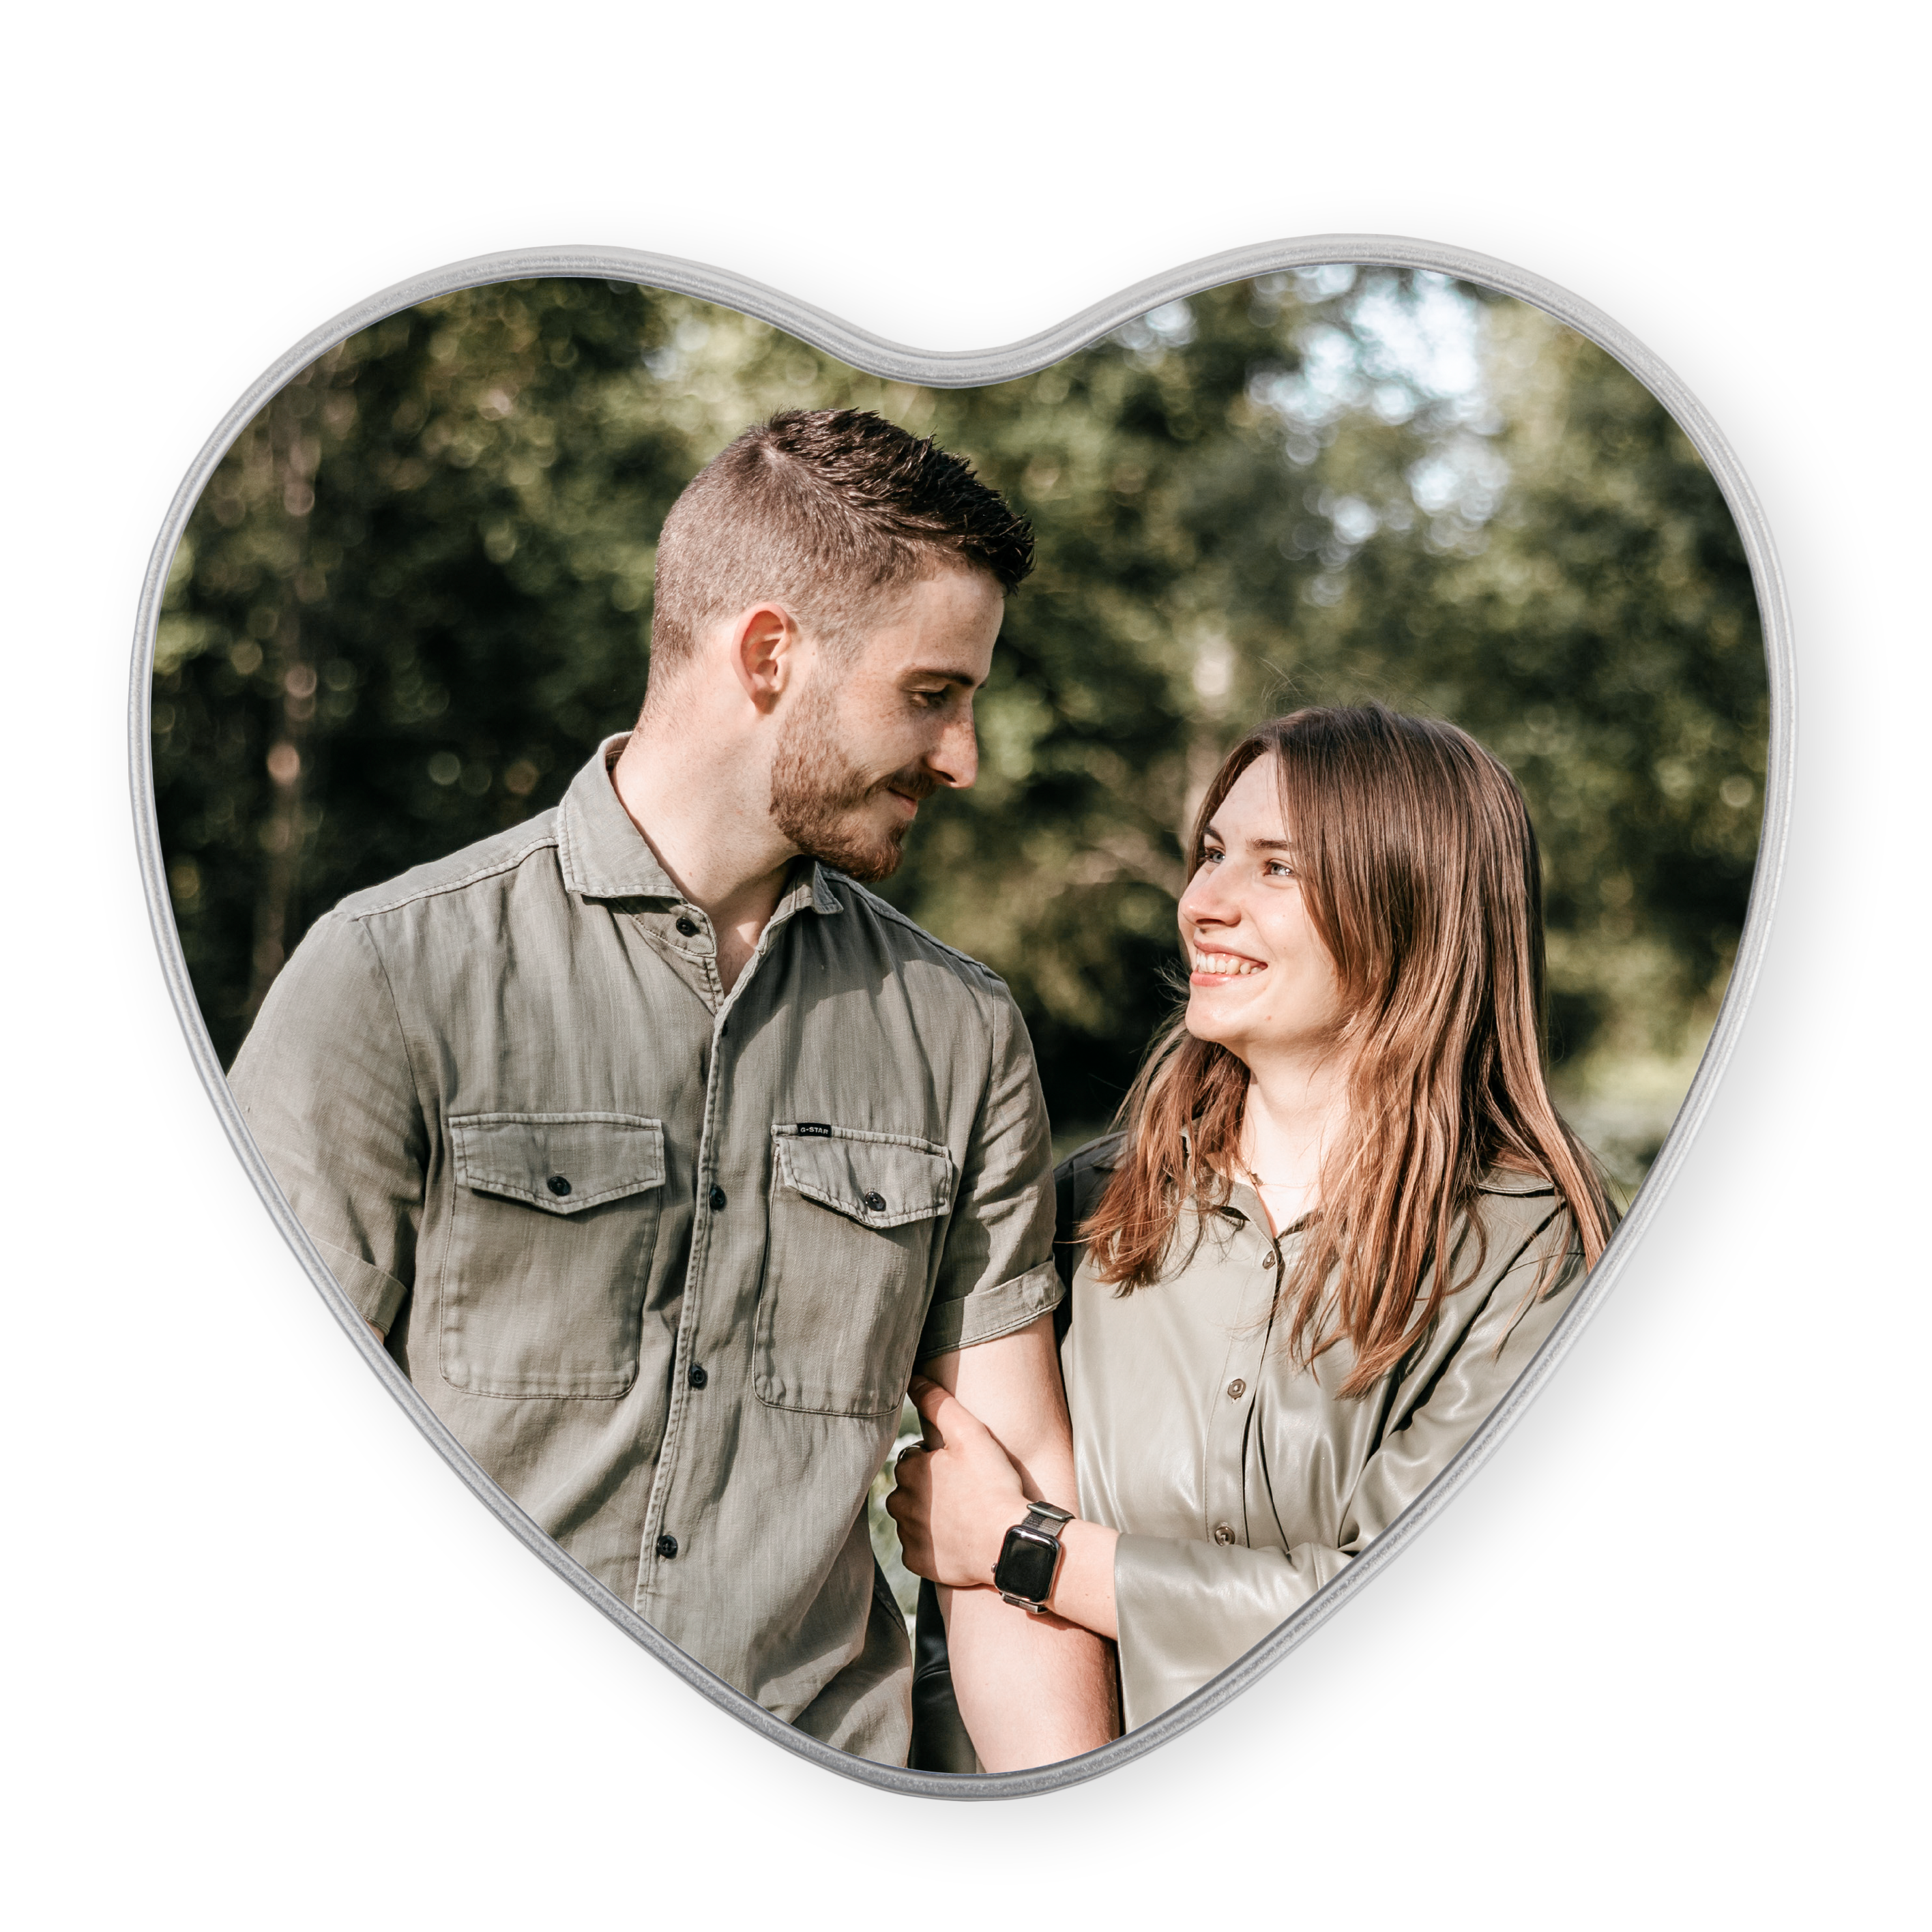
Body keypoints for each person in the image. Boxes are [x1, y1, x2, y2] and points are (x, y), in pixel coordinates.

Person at [228, 409, 1117, 1770]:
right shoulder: (389, 977)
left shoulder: (961, 1033)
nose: (963, 761)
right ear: (772, 655)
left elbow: (1012, 1518)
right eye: (932, 694)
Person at [888, 704, 1615, 1754]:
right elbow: (967, 1633)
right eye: (1214, 853)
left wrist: (1030, 1549)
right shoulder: (1073, 1217)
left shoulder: (1538, 1255)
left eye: (1278, 869)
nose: (1202, 904)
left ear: (1416, 906)